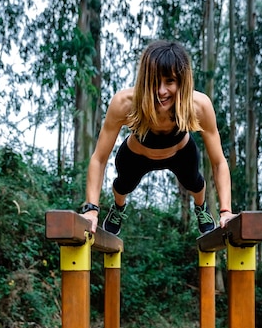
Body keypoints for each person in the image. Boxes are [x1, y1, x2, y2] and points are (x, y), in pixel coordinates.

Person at [79, 39, 234, 235]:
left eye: (169, 81)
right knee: (122, 185)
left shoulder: (199, 106)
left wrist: (226, 211)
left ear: (182, 81)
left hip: (181, 153)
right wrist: (91, 210)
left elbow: (219, 162)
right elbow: (99, 159)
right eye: (154, 81)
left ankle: (201, 207)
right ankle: (118, 208)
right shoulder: (125, 103)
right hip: (136, 155)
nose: (161, 91)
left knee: (195, 183)